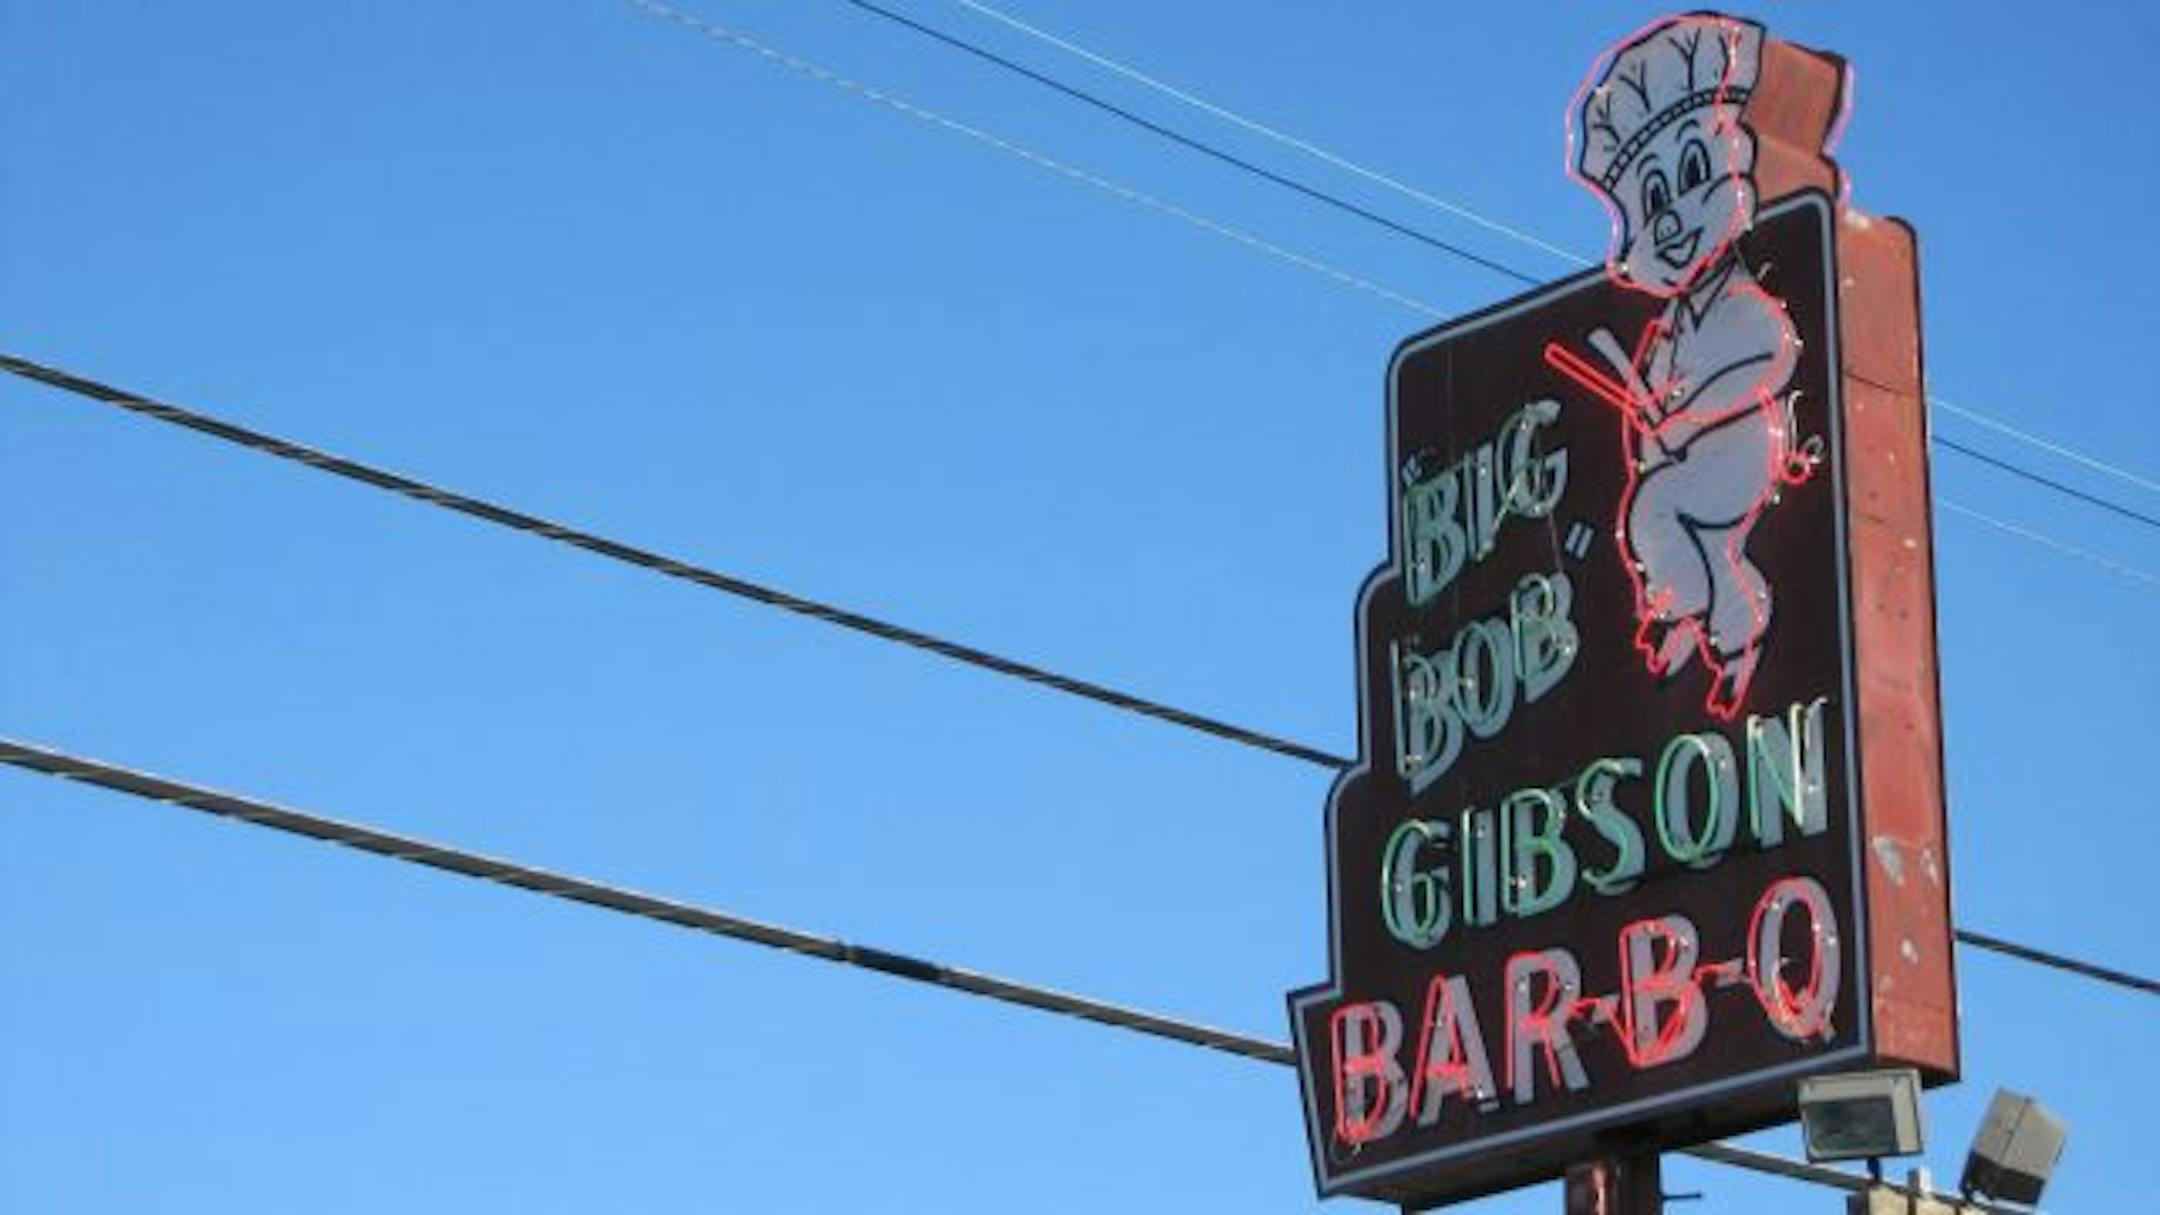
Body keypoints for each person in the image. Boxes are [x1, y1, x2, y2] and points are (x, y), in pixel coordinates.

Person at [1563, 12, 1807, 719]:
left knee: (1656, 510)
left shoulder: (1743, 301)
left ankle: (1685, 616)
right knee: (1677, 526)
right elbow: (1651, 412)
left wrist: (1690, 415)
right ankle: (1730, 633)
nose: (1669, 220)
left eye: (1690, 175)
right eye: (1651, 199)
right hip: (1695, 460)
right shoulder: (1667, 332)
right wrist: (1654, 430)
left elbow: (1769, 360)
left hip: (1745, 447)